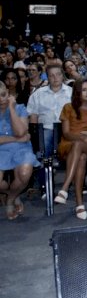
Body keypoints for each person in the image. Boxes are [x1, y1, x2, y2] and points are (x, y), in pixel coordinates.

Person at [53, 78, 87, 220]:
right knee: (80, 156)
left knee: (81, 149)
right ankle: (79, 203)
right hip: (67, 145)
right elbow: (66, 133)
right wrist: (82, 138)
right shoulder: (68, 107)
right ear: (77, 92)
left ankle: (65, 188)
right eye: (84, 90)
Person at [0, 83, 37, 220]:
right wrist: (17, 139)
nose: (1, 99)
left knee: (25, 172)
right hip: (2, 149)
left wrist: (11, 108)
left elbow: (21, 131)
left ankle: (10, 199)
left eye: (3, 95)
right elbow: (20, 136)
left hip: (21, 148)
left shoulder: (20, 108)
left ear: (8, 93)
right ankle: (12, 194)